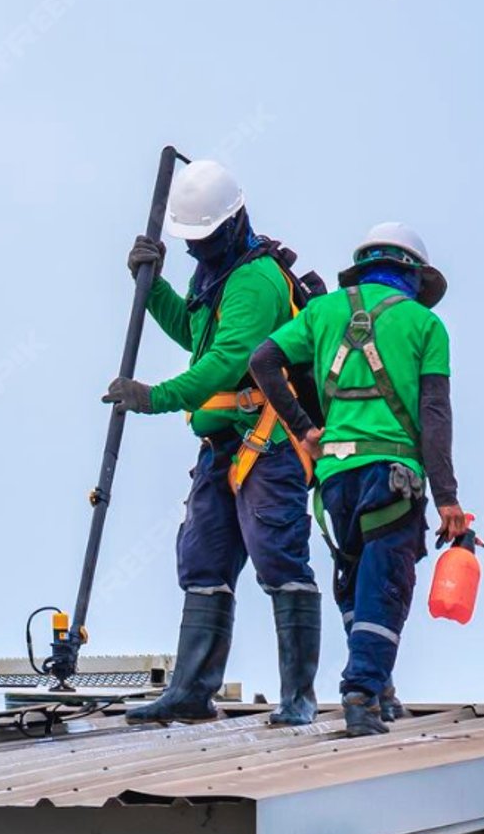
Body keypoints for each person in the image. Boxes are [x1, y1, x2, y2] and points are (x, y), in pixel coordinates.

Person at [101, 160, 324, 725]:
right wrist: (152, 289)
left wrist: (154, 396)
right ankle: (192, 692)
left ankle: (298, 697)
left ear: (231, 223)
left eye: (203, 238)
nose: (197, 249)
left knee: (280, 559)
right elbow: (197, 337)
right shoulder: (218, 276)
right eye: (189, 241)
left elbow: (228, 364)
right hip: (222, 447)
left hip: (267, 446)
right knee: (203, 561)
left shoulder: (254, 279)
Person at [247, 222, 469, 738]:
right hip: (393, 477)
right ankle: (362, 693)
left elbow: (263, 361)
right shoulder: (424, 326)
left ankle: (378, 687)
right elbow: (435, 416)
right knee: (384, 586)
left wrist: (304, 430)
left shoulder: (324, 313)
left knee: (354, 583)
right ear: (413, 274)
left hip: (333, 484)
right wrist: (448, 499)